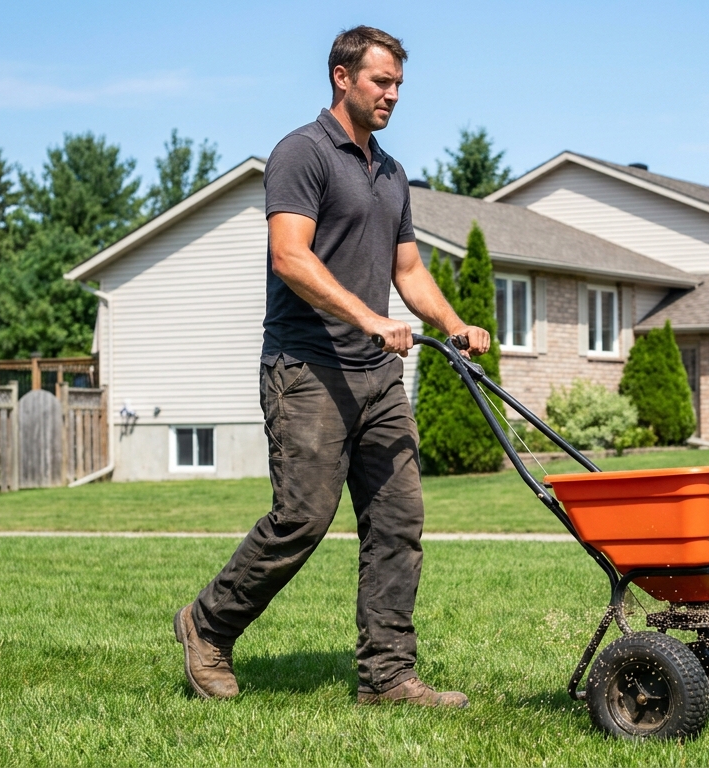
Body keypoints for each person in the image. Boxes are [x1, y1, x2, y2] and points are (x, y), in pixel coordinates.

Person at [173, 26, 488, 709]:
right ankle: (208, 624)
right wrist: (369, 318)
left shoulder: (391, 172)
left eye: (399, 84)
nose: (393, 95)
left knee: (399, 521)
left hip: (376, 379)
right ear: (341, 78)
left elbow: (408, 268)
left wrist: (452, 323)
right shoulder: (302, 154)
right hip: (307, 368)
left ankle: (386, 675)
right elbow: (291, 256)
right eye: (381, 81)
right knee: (303, 518)